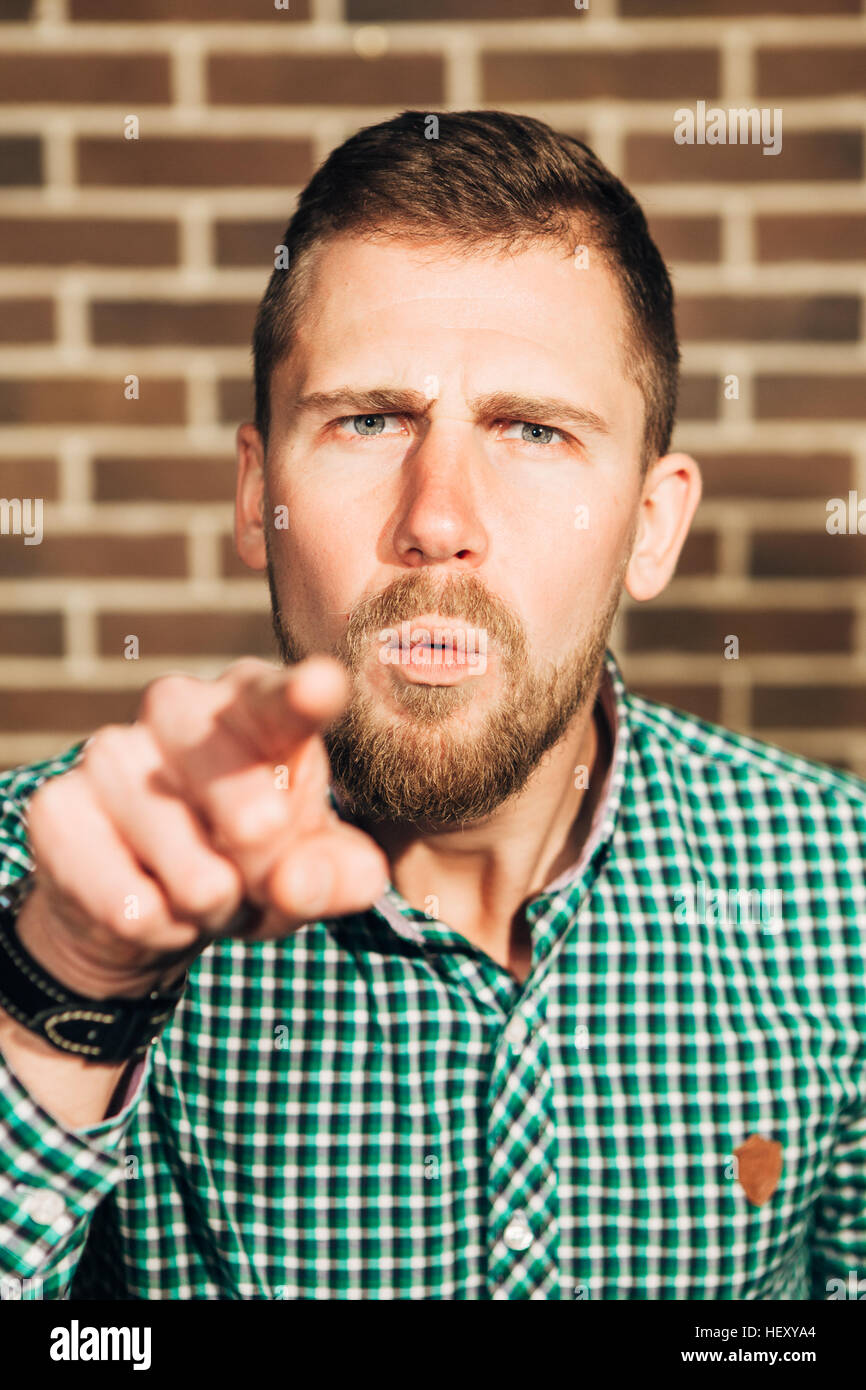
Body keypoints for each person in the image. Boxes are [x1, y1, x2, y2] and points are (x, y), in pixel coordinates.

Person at [0, 109, 863, 1302]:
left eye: (531, 430)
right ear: (260, 498)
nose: (438, 519)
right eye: (367, 420)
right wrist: (68, 990)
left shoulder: (838, 888)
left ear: (650, 524)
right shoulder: (45, 885)